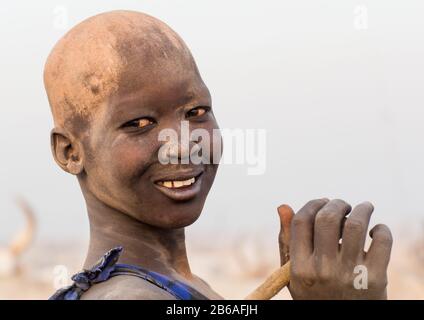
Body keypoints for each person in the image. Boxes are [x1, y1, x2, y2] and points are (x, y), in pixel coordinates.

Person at [44, 10, 392, 300]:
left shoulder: (183, 287)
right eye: (139, 123)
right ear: (70, 151)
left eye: (196, 112)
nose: (182, 144)